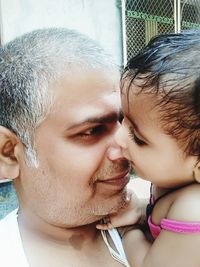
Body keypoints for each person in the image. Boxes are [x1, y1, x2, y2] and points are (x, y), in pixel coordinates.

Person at [0, 28, 134, 267]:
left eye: (125, 122)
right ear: (9, 153)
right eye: (91, 131)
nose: (126, 147)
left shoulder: (168, 221)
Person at [97, 30, 200, 267]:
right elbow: (162, 214)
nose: (119, 136)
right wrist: (141, 210)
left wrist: (129, 229)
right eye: (124, 118)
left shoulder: (193, 210)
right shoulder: (174, 175)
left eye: (138, 138)